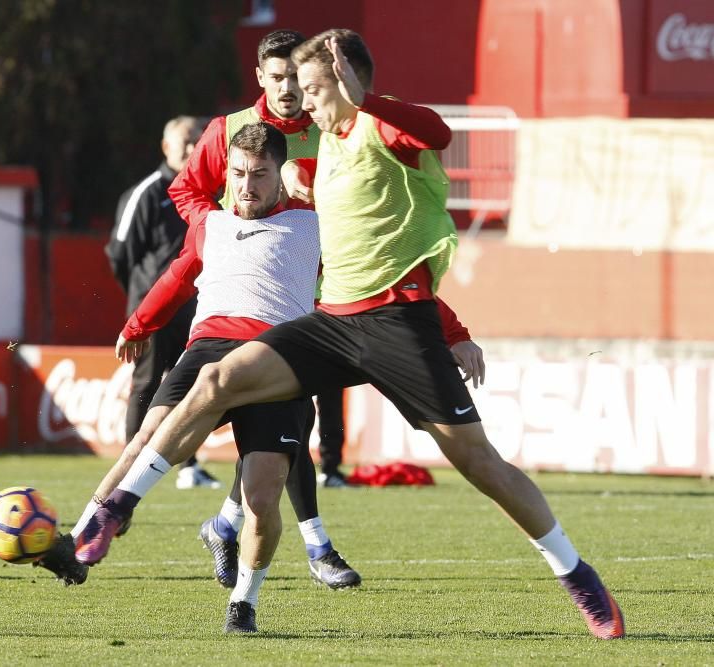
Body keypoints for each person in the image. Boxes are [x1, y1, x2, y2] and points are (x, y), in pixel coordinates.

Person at [76, 29, 625, 641]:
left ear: (348, 82)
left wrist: (453, 330)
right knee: (217, 378)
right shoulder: (321, 154)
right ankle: (118, 509)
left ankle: (576, 574)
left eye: (314, 89)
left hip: (397, 324)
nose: (303, 103)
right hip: (332, 323)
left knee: (477, 461)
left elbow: (436, 134)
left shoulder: (383, 131)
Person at [167, 29, 363, 584]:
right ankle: (316, 546)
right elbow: (187, 193)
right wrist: (225, 233)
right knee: (288, 411)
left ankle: (229, 524)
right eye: (275, 77)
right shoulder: (227, 132)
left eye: (295, 79)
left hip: (325, 287)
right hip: (249, 294)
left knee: (288, 420)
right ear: (259, 77)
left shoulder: (334, 130)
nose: (287, 90)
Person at [105, 115, 221, 490]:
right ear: (166, 147)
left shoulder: (208, 192)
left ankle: (189, 465)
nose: (191, 149)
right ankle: (128, 467)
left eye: (196, 141)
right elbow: (119, 255)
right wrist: (142, 300)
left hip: (196, 311)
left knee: (190, 388)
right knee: (147, 386)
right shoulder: (147, 193)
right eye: (184, 141)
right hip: (154, 315)